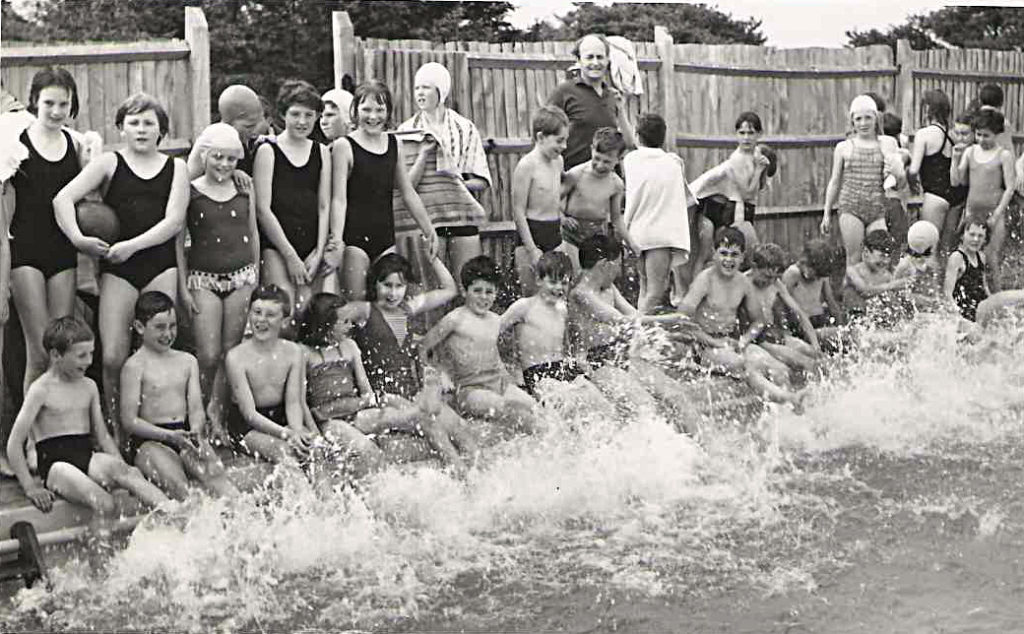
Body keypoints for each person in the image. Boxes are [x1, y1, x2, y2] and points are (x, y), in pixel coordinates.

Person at [53, 92, 189, 429]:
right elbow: (62, 199)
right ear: (121, 128)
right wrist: (78, 238)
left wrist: (131, 245)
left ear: (162, 131)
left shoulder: (177, 167)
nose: (141, 130)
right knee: (113, 356)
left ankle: (153, 424)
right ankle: (115, 428)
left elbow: (173, 222)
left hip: (160, 266)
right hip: (119, 269)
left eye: (148, 123)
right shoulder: (109, 163)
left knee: (158, 350)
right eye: (134, 123)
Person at [6, 316, 169, 516]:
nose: (89, 361)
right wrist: (31, 487)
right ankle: (106, 544)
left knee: (130, 474)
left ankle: (177, 514)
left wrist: (120, 466)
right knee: (105, 503)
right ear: (56, 355)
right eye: (81, 355)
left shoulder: (89, 386)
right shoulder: (41, 389)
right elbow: (14, 444)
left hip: (86, 457)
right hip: (57, 467)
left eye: (91, 354)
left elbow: (102, 437)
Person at [299, 292, 473, 468]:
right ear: (326, 325)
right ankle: (419, 409)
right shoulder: (305, 354)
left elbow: (366, 391)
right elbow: (301, 403)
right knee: (369, 449)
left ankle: (460, 469)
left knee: (419, 420)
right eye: (344, 322)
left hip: (355, 410)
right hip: (330, 421)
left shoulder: (349, 346)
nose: (350, 326)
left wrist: (369, 402)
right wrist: (314, 433)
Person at [176, 122, 260, 444]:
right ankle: (196, 413)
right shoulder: (191, 189)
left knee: (230, 352)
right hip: (203, 278)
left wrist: (254, 277)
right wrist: (184, 288)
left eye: (231, 159)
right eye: (218, 158)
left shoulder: (244, 188)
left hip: (241, 277)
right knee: (208, 354)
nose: (224, 165)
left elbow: (252, 233)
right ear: (205, 155)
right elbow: (179, 242)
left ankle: (218, 413)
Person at [4, 69, 85, 400]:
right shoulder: (15, 146)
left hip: (62, 254)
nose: (56, 111)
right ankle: (29, 439)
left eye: (63, 104)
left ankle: (58, 430)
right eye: (49, 103)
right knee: (39, 352)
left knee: (62, 350)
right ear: (34, 101)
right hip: (25, 252)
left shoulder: (77, 145)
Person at [346, 253, 479, 451]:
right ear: (375, 284)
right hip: (384, 399)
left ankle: (477, 478)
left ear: (406, 286)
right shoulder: (365, 311)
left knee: (462, 428)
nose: (392, 293)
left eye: (399, 286)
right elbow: (330, 316)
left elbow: (449, 290)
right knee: (436, 430)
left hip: (411, 394)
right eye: (387, 285)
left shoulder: (407, 309)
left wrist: (432, 258)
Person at [567, 235, 699, 434]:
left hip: (622, 358)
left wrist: (669, 332)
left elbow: (634, 316)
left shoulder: (609, 288)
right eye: (617, 265)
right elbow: (620, 320)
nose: (619, 272)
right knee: (645, 406)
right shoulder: (580, 295)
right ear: (604, 264)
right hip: (597, 364)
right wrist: (671, 319)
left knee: (675, 394)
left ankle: (703, 451)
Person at [120, 292, 238, 500]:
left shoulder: (187, 361)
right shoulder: (134, 366)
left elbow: (195, 408)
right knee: (182, 489)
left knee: (223, 485)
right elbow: (129, 421)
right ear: (139, 327)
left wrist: (196, 432)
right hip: (150, 441)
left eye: (172, 326)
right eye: (160, 327)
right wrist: (168, 436)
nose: (168, 333)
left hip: (184, 436)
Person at [677, 228, 806, 410]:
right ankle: (789, 399)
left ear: (743, 257)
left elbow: (759, 321)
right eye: (723, 253)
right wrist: (713, 342)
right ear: (714, 254)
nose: (728, 260)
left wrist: (745, 339)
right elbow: (682, 320)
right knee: (743, 365)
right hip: (705, 347)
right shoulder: (705, 280)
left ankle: (786, 421)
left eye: (734, 255)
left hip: (732, 341)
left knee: (779, 369)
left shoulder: (742, 283)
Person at [332, 80, 438, 300]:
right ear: (355, 111)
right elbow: (338, 200)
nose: (373, 116)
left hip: (385, 238)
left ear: (388, 111)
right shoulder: (344, 146)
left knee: (387, 304)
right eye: (366, 109)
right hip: (354, 240)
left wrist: (429, 230)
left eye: (380, 110)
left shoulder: (393, 144)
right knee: (358, 304)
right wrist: (337, 239)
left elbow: (407, 192)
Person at [396, 62, 492, 286]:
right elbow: (404, 186)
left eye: (427, 87)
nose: (420, 93)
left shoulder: (464, 128)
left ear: (441, 91)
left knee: (467, 282)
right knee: (431, 287)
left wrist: (452, 185)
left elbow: (481, 180)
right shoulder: (406, 132)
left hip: (461, 217)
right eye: (417, 87)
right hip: (425, 220)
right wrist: (423, 154)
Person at [419, 256, 539, 434]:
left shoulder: (494, 320)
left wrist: (508, 378)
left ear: (496, 292)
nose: (483, 297)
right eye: (477, 291)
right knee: (509, 409)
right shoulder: (455, 319)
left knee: (537, 409)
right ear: (464, 290)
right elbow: (423, 347)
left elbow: (491, 353)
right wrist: (440, 374)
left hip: (499, 384)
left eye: (489, 292)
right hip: (470, 390)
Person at [254, 79, 331, 322]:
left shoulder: (321, 152)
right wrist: (290, 257)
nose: (302, 121)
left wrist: (318, 251)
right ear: (282, 115)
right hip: (278, 245)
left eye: (309, 115)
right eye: (295, 114)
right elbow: (263, 209)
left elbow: (324, 205)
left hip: (310, 244)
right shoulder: (268, 150)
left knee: (309, 311)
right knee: (284, 309)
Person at [224, 285, 317, 464]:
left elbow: (293, 402)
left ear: (283, 320)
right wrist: (286, 434)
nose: (261, 320)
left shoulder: (294, 352)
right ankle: (300, 492)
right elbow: (249, 414)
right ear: (249, 313)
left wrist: (296, 431)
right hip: (248, 426)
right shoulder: (236, 357)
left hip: (281, 416)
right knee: (285, 454)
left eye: (270, 315)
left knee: (312, 450)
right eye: (257, 312)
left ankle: (326, 493)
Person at [821, 95, 906, 268]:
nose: (863, 123)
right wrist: (826, 213)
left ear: (876, 118)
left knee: (879, 257)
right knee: (854, 258)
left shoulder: (887, 144)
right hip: (851, 207)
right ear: (852, 122)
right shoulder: (844, 147)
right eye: (858, 119)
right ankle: (850, 295)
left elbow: (899, 184)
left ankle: (874, 293)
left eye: (868, 117)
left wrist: (898, 171)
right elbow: (835, 181)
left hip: (877, 208)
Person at [622, 113, 695, 313]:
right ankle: (637, 332)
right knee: (655, 291)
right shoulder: (673, 164)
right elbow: (685, 195)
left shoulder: (630, 160)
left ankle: (640, 331)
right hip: (659, 234)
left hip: (637, 232)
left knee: (644, 288)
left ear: (638, 136)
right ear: (663, 137)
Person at [690, 111, 777, 274]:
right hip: (721, 208)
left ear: (759, 134)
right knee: (709, 256)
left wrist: (763, 170)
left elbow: (759, 187)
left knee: (741, 257)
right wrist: (759, 170)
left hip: (736, 208)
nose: (746, 138)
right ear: (736, 134)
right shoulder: (736, 159)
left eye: (751, 133)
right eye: (742, 133)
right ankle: (696, 293)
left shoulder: (757, 152)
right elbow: (747, 194)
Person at [500, 251, 595, 399]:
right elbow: (491, 332)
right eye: (553, 282)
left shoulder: (562, 308)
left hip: (562, 368)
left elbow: (568, 343)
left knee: (595, 397)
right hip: (538, 373)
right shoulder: (524, 307)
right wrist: (504, 371)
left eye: (564, 283)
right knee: (567, 400)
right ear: (538, 280)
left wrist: (578, 360)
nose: (559, 288)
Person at [547, 33, 635, 170]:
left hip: (608, 179)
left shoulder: (613, 95)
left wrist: (621, 110)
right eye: (589, 57)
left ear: (607, 60)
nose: (595, 63)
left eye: (600, 57)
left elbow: (630, 144)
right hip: (574, 181)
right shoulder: (563, 92)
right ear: (579, 60)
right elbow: (545, 136)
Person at [951, 108, 1014, 292]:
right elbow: (957, 181)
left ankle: (997, 298)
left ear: (997, 134)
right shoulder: (970, 152)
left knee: (990, 259)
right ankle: (964, 294)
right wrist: (955, 160)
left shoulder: (1004, 155)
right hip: (972, 213)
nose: (981, 139)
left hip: (994, 213)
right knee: (967, 256)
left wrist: (996, 215)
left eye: (986, 136)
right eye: (978, 135)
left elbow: (1009, 188)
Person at [558, 127, 635, 272]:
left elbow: (616, 218)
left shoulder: (616, 184)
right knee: (575, 276)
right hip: (571, 234)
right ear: (592, 149)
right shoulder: (576, 174)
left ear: (619, 159)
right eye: (597, 158)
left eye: (607, 162)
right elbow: (553, 202)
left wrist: (631, 243)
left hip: (596, 235)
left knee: (595, 277)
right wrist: (562, 219)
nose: (600, 165)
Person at [512, 105, 569, 295]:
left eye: (565, 141)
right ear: (540, 137)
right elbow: (518, 211)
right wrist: (532, 249)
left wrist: (562, 216)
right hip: (532, 233)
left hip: (553, 231)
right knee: (531, 296)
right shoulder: (526, 165)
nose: (564, 147)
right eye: (559, 141)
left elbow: (553, 194)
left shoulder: (558, 161)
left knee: (558, 293)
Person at [746, 243, 821, 372]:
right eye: (767, 276)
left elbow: (799, 313)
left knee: (815, 354)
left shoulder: (776, 283)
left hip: (775, 334)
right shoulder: (743, 283)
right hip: (758, 340)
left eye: (774, 277)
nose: (769, 282)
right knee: (805, 362)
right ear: (754, 267)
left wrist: (815, 344)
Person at [908, 90, 956, 246]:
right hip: (954, 197)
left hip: (934, 195)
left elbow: (914, 170)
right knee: (946, 250)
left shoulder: (924, 134)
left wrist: (912, 185)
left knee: (928, 248)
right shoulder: (952, 135)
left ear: (928, 108)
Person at [187, 84, 264, 180]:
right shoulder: (211, 138)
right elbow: (189, 179)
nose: (255, 132)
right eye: (248, 126)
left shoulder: (245, 141)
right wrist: (231, 173)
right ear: (229, 121)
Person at [781, 238, 845, 349]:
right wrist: (785, 331)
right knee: (832, 336)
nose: (816, 278)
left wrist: (841, 324)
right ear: (805, 261)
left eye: (819, 276)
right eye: (815, 274)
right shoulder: (793, 274)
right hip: (802, 324)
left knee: (845, 334)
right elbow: (781, 306)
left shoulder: (821, 276)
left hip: (819, 319)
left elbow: (831, 302)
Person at [843, 229, 909, 326]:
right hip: (855, 322)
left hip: (875, 322)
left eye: (888, 256)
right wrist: (893, 285)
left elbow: (900, 297)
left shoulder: (886, 276)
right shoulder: (852, 272)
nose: (886, 261)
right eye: (882, 256)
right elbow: (865, 290)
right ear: (866, 252)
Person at [943, 218, 990, 322]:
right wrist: (959, 318)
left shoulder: (981, 257)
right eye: (972, 235)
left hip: (979, 311)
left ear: (985, 239)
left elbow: (984, 287)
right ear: (962, 235)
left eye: (980, 236)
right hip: (963, 313)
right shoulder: (957, 258)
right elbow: (947, 293)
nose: (976, 239)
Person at [894, 220, 943, 314]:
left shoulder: (930, 265)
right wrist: (920, 299)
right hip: (909, 314)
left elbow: (935, 292)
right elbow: (895, 292)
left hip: (926, 313)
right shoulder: (905, 265)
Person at [977, 83, 1014, 151]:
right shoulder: (1004, 122)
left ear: (980, 101)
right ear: (1001, 103)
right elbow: (1008, 147)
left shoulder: (975, 118)